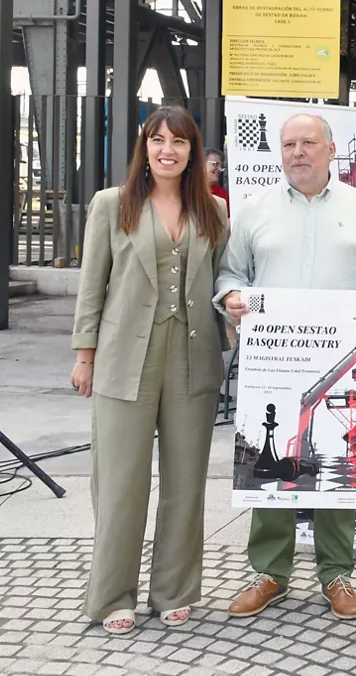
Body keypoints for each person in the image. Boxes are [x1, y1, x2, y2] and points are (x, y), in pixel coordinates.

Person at [214, 112, 356, 621]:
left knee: (335, 461)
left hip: (336, 356)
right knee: (268, 463)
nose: (297, 152)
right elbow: (231, 273)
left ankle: (336, 573)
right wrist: (231, 296)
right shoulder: (254, 210)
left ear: (330, 149)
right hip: (275, 358)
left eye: (307, 142)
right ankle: (270, 572)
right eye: (288, 145)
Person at [70, 105, 230, 635]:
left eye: (179, 142)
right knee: (121, 481)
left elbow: (222, 282)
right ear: (145, 147)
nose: (168, 150)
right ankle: (113, 594)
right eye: (158, 140)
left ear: (192, 152)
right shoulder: (112, 204)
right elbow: (92, 284)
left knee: (186, 481)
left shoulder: (213, 211)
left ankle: (175, 589)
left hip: (192, 357)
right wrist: (85, 354)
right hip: (124, 357)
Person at [204, 148, 229, 216]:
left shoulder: (221, 193)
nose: (220, 169)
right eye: (215, 164)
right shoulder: (186, 190)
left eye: (221, 166)